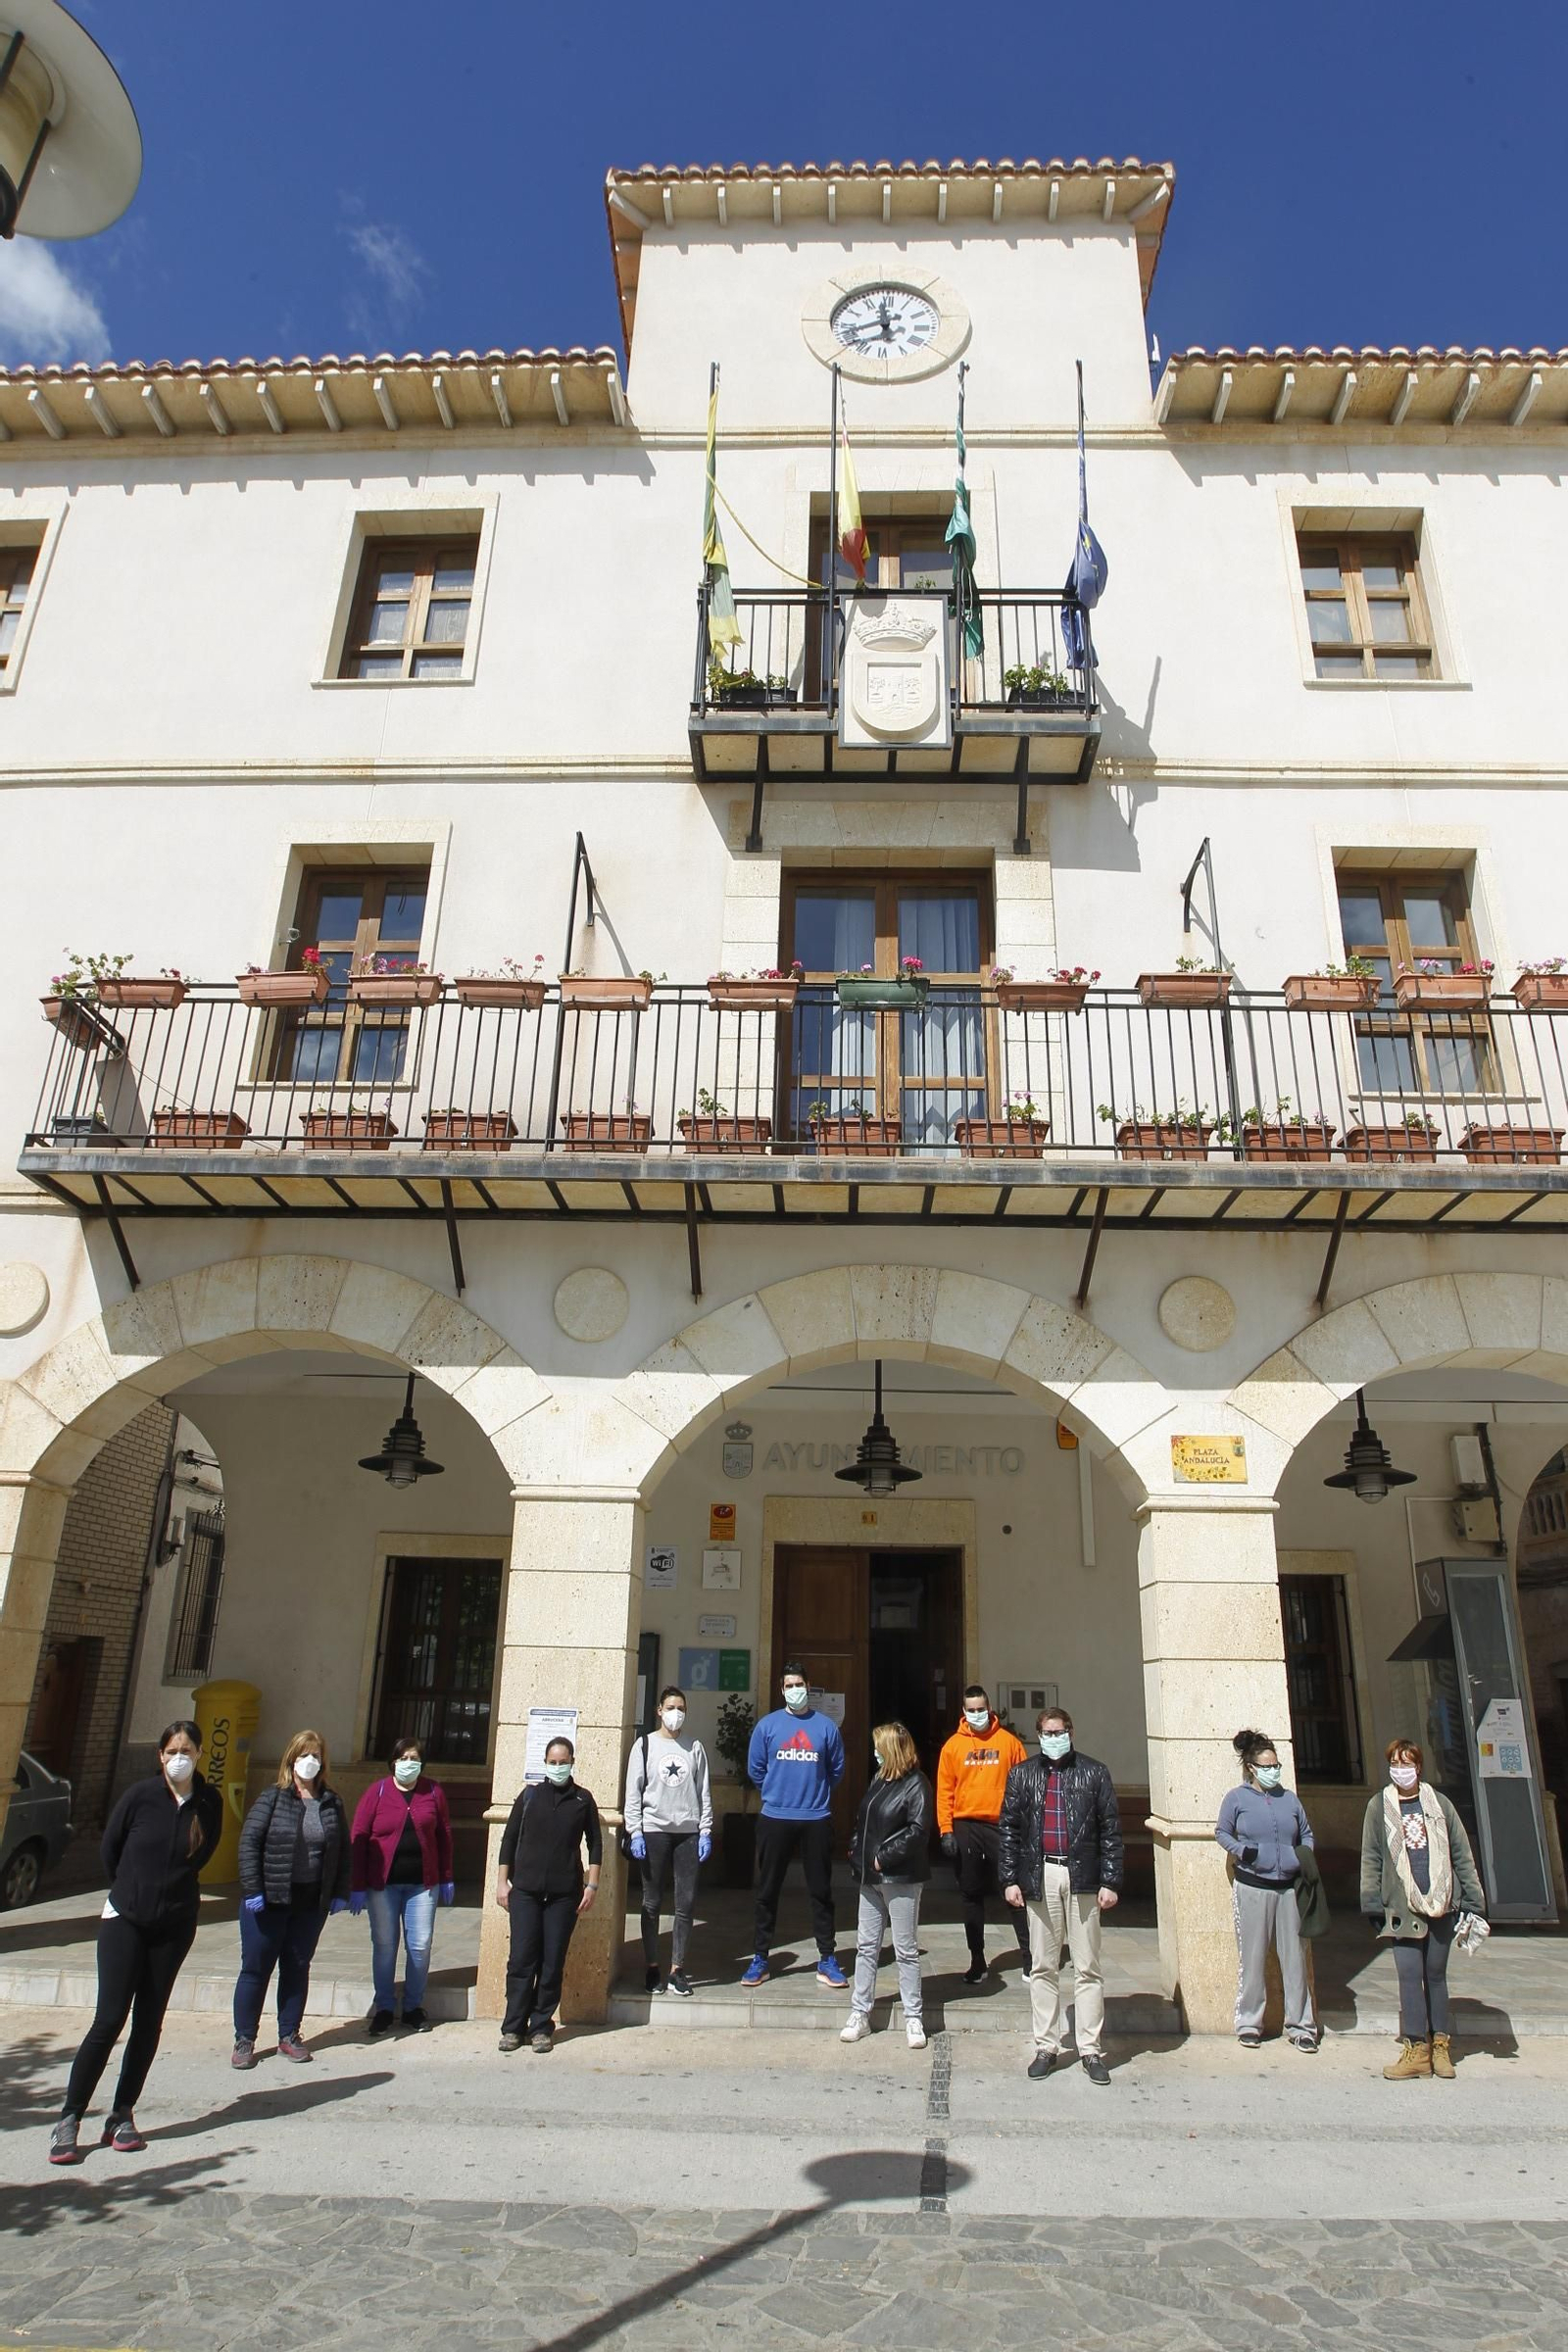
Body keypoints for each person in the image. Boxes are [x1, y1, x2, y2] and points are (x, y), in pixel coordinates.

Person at [49, 1719, 222, 2165]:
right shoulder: (139, 1797)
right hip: (125, 1920)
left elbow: (202, 1855)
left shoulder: (209, 1801)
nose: (178, 1757)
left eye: (186, 1750)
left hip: (175, 1924)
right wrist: (131, 1894)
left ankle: (122, 2114)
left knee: (149, 2022)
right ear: (160, 1755)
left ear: (200, 1753)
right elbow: (111, 1851)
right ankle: (70, 2117)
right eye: (170, 1750)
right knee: (108, 2020)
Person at [999, 1703, 1123, 2086]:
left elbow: (1111, 1831)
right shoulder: (1022, 1775)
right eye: (1048, 1733)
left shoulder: (1094, 1773)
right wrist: (1010, 1878)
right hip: (1042, 1873)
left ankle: (1089, 2048)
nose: (1054, 1738)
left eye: (1060, 1731)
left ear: (1071, 1732)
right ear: (1039, 1736)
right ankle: (1046, 2046)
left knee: (1087, 1966)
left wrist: (1110, 1880)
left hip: (1083, 1876)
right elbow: (1009, 1830)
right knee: (1043, 1965)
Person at [1361, 1736, 1486, 2082]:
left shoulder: (1440, 1804)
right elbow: (1371, 1856)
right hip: (1402, 1906)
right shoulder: (1379, 1806)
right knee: (1408, 1976)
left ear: (1419, 1767)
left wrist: (1473, 1901)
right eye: (1395, 1763)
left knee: (1435, 1974)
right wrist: (1371, 1901)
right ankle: (1416, 2048)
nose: (1401, 1770)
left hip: (1442, 1903)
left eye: (1407, 1763)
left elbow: (1460, 1853)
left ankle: (1441, 2046)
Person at [231, 1729, 352, 2068]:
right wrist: (253, 1889)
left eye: (316, 1755)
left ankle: (289, 2035)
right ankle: (245, 2039)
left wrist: (340, 1892)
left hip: (310, 1901)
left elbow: (341, 1851)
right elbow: (249, 1843)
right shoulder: (273, 1798)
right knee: (256, 1969)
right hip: (269, 1899)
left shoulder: (331, 1801)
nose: (310, 1762)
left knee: (297, 1967)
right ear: (291, 1759)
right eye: (304, 1755)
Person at [743, 1662, 847, 1987]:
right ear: (781, 1689)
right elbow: (756, 1769)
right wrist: (777, 1794)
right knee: (767, 1891)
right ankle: (760, 1958)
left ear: (808, 1685)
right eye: (788, 1685)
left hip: (815, 1818)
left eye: (798, 1684)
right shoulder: (767, 1726)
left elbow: (836, 1770)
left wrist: (815, 1795)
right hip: (775, 1817)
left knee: (821, 1891)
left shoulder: (826, 1727)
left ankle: (827, 1958)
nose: (794, 1690)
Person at [1215, 1728, 1319, 2053]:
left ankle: (1301, 2026)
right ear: (1251, 1767)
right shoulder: (1236, 1799)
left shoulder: (1289, 1799)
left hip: (1289, 1888)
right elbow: (1222, 1832)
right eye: (1267, 1765)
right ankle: (1249, 2022)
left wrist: (1301, 1857)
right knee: (1253, 1956)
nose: (1273, 1770)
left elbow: (1306, 1834)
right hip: (1252, 1886)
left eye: (1276, 1764)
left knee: (1295, 1959)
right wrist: (1244, 1852)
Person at [495, 1737, 603, 2052]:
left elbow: (596, 1843)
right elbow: (509, 1840)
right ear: (545, 1763)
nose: (558, 1767)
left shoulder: (583, 1799)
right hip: (525, 1892)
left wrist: (592, 1885)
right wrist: (503, 1883)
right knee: (521, 1960)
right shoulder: (529, 1796)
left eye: (563, 1762)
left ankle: (541, 2026)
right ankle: (513, 2027)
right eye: (553, 1762)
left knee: (552, 1961)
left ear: (572, 1762)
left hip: (563, 1895)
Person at [349, 1737, 455, 2035]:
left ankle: (412, 2007)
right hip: (383, 1886)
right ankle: (384, 2006)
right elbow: (358, 1836)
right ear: (393, 1761)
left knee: (419, 1947)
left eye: (415, 1758)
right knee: (385, 1947)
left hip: (422, 1886)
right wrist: (357, 1885)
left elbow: (444, 1836)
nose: (410, 1763)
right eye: (404, 1758)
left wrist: (446, 1876)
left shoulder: (433, 1792)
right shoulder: (377, 1792)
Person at [840, 1721, 933, 2050]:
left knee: (905, 1949)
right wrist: (855, 1850)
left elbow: (918, 1830)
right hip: (869, 1878)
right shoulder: (878, 1780)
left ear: (892, 1749)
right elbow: (862, 1821)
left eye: (879, 1747)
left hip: (900, 1878)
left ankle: (913, 2016)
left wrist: (883, 1858)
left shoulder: (916, 1784)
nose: (874, 1753)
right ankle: (859, 2013)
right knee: (867, 1947)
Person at [936, 1684, 1030, 1984]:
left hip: (1001, 1825)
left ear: (989, 1709)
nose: (976, 1715)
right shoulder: (953, 1746)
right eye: (971, 1710)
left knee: (1014, 1892)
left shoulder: (1009, 1742)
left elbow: (1023, 1786)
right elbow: (944, 1791)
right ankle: (977, 1959)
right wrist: (945, 1829)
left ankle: (1030, 1958)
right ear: (964, 1712)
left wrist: (1023, 1826)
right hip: (966, 1826)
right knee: (970, 1894)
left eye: (981, 1709)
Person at [625, 1685, 712, 1997]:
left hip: (688, 1833)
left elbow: (704, 1791)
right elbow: (633, 1791)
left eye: (682, 1709)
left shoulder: (694, 1747)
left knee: (685, 1904)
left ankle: (678, 1969)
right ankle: (652, 1967)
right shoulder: (644, 1745)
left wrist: (705, 1830)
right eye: (671, 1707)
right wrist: (635, 1830)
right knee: (650, 1904)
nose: (677, 1714)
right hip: (654, 1831)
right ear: (659, 1710)